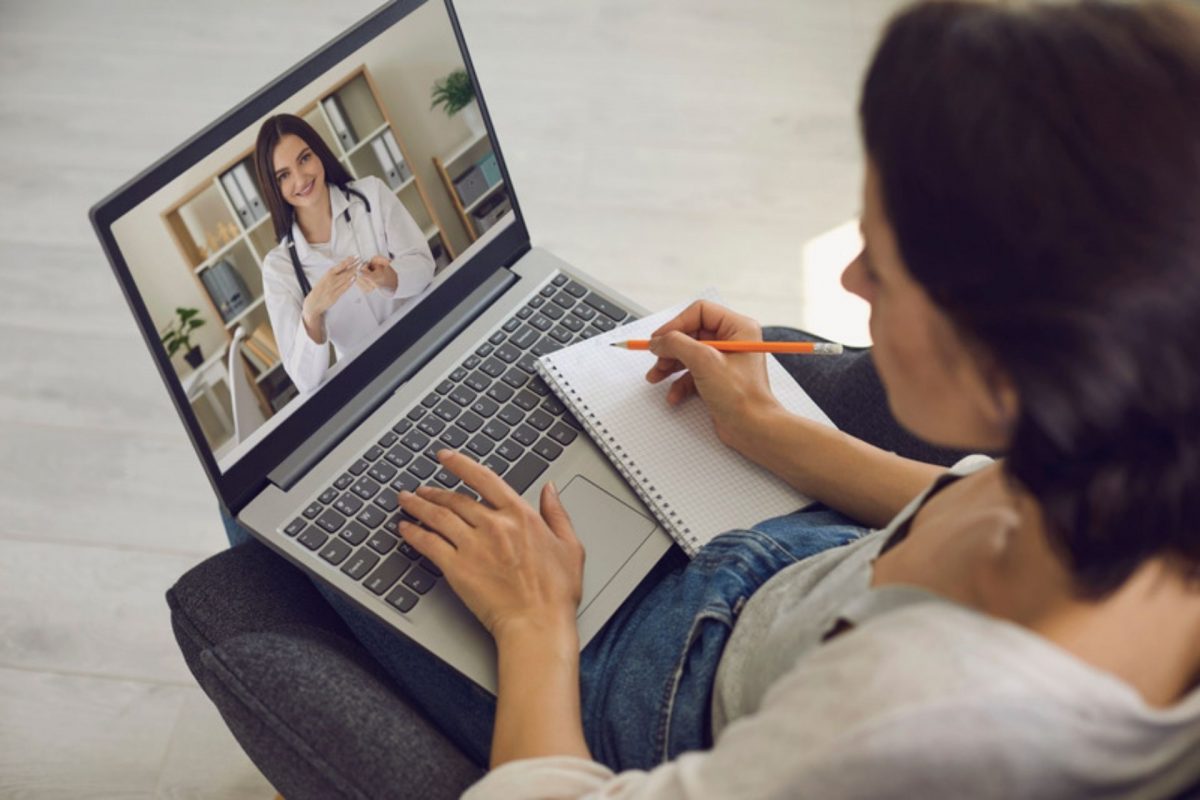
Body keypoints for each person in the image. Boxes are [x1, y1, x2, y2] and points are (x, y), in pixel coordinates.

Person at [223, 0, 1200, 795]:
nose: (849, 282)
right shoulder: (1137, 463)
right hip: (794, 569)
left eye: (885, 269)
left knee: (264, 496)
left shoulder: (909, 720)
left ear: (1015, 356)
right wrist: (770, 430)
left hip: (664, 693)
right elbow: (967, 495)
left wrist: (534, 626)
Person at [253, 114, 435, 394]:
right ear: (273, 186)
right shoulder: (279, 269)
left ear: (319, 153)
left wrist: (390, 278)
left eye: (304, 159)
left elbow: (425, 266)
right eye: (284, 175)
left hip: (424, 346)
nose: (301, 179)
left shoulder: (371, 195)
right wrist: (312, 311)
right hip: (366, 387)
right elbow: (304, 380)